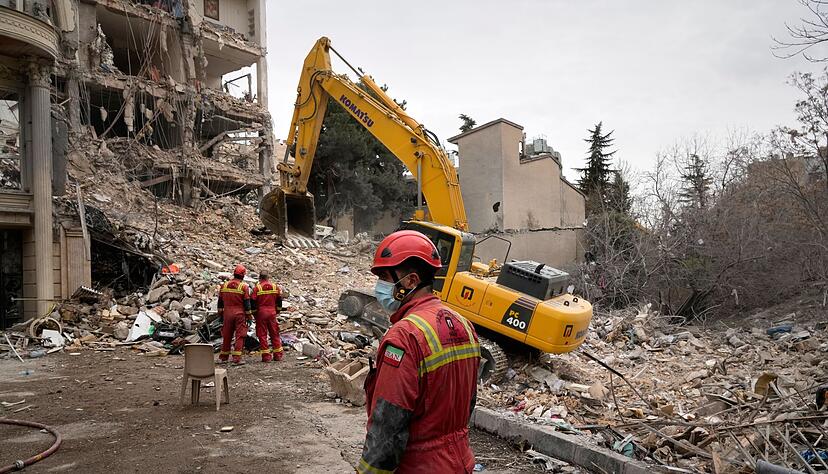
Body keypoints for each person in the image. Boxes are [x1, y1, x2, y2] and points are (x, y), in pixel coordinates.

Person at [357, 230, 480, 474]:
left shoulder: (404, 336)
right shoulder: (463, 325)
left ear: (411, 281)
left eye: (384, 277)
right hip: (461, 463)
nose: (379, 285)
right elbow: (468, 402)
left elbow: (388, 425)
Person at [217, 264, 252, 365]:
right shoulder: (243, 287)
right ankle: (236, 358)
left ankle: (223, 357)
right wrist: (249, 316)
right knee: (240, 336)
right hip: (239, 314)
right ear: (243, 275)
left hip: (227, 314)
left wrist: (221, 315)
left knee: (227, 335)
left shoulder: (224, 285)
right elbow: (247, 304)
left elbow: (220, 302)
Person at [251, 271, 284, 362]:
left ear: (260, 278)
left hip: (261, 313)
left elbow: (252, 302)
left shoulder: (257, 288)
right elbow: (279, 300)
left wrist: (255, 314)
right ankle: (278, 355)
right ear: (268, 277)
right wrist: (277, 311)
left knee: (262, 335)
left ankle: (266, 357)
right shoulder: (275, 287)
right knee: (274, 333)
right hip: (272, 313)